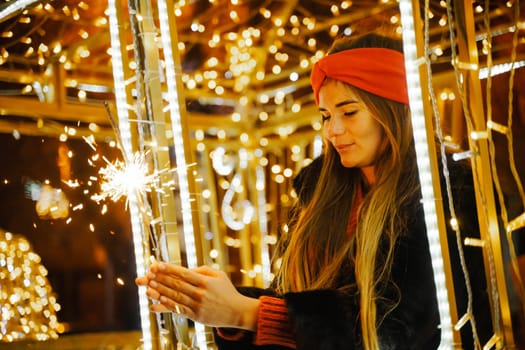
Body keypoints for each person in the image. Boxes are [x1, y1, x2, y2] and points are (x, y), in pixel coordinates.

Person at [136, 33, 493, 349]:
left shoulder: (447, 191)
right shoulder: (317, 192)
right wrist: (214, 302)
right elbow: (295, 301)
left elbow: (394, 329)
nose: (332, 130)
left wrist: (247, 312)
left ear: (396, 110)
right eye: (325, 115)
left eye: (349, 112)